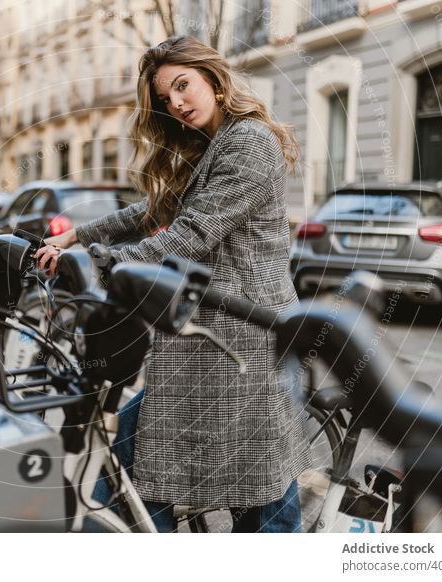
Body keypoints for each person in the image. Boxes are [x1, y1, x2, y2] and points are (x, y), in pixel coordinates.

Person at [34, 36, 310, 532]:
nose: (176, 104)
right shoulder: (210, 147)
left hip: (246, 333)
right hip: (212, 333)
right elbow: (152, 211)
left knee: (264, 490)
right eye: (165, 98)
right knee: (151, 459)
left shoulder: (248, 141)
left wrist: (100, 264)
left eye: (183, 86)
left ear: (214, 81)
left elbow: (192, 233)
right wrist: (77, 235)